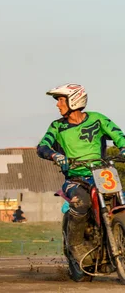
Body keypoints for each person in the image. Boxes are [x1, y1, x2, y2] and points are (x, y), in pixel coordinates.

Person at [37, 83, 125, 265]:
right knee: (81, 202)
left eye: (61, 100)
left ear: (73, 100)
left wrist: (123, 147)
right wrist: (55, 155)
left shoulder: (98, 119)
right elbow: (42, 146)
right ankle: (75, 245)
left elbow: (118, 134)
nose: (57, 104)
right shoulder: (57, 127)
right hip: (76, 179)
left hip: (102, 174)